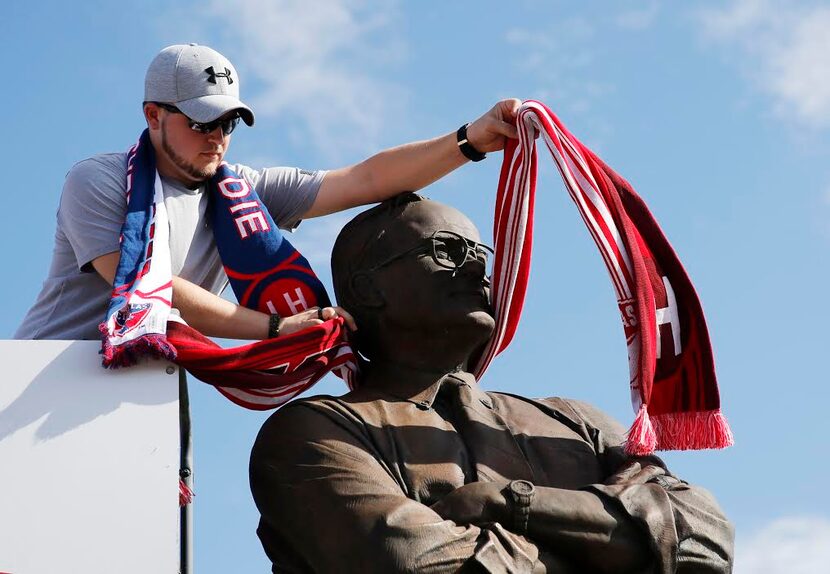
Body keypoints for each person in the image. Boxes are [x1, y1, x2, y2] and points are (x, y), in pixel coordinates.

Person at [249, 194, 734, 573]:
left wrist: (512, 503)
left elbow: (704, 540)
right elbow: (409, 563)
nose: (478, 268)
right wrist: (612, 549)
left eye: (479, 251)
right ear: (366, 289)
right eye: (447, 250)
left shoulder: (573, 419)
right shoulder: (314, 434)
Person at [15, 43, 519, 341]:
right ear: (153, 116)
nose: (217, 135)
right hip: (47, 378)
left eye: (229, 121)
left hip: (139, 389)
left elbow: (363, 180)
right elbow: (155, 289)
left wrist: (469, 140)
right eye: (201, 120)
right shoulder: (97, 181)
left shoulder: (242, 190)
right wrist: (277, 328)